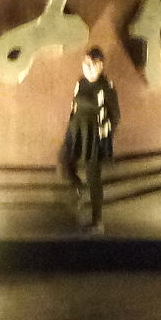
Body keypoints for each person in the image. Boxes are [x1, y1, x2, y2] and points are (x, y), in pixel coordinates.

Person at [58, 46, 120, 228]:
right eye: (84, 63)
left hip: (94, 136)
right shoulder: (80, 83)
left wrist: (105, 137)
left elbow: (116, 116)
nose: (86, 67)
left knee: (93, 176)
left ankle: (97, 221)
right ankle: (78, 188)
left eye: (90, 64)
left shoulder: (106, 87)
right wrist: (71, 128)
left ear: (100, 65)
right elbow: (74, 106)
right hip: (76, 131)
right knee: (64, 162)